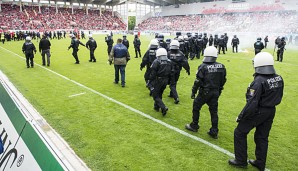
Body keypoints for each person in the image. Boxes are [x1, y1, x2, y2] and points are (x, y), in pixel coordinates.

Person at [228, 52, 284, 171]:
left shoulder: (259, 80)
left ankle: (240, 160)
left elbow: (252, 103)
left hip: (258, 111)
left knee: (239, 132)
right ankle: (260, 163)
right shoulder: (278, 77)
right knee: (262, 137)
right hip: (271, 111)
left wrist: (241, 116)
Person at [185, 46, 226, 139]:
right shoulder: (221, 66)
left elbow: (197, 81)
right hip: (215, 92)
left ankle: (194, 125)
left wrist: (193, 91)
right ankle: (214, 131)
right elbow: (223, 80)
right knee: (214, 111)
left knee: (196, 106)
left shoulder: (203, 66)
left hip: (205, 92)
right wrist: (219, 89)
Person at [149, 48, 173, 116]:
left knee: (155, 95)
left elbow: (153, 73)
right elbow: (171, 72)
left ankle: (163, 107)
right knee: (160, 93)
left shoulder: (156, 61)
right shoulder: (169, 61)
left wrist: (150, 81)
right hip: (165, 80)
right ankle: (156, 107)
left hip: (158, 80)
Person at [168, 40, 190, 104]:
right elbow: (185, 63)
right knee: (174, 82)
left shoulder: (168, 53)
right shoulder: (181, 54)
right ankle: (171, 94)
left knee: (172, 84)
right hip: (177, 70)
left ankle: (176, 97)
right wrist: (187, 70)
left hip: (171, 70)